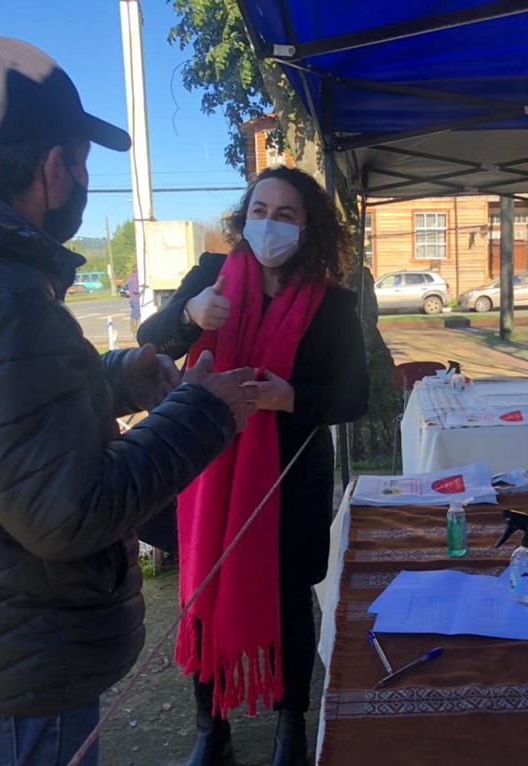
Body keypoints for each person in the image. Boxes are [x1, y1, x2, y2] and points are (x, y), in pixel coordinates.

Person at [0, 34, 260, 766]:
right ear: (55, 167)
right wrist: (203, 411)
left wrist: (114, 378)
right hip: (15, 659)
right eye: (84, 163)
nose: (85, 182)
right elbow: (70, 510)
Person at [137, 166, 370, 766]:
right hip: (206, 472)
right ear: (245, 219)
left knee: (290, 598)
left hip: (289, 479)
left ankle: (290, 726)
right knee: (204, 590)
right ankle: (210, 727)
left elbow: (355, 396)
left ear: (308, 228)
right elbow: (150, 339)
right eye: (260, 211)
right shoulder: (212, 276)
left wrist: (292, 398)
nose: (270, 224)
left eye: (286, 215)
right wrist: (189, 314)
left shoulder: (333, 304)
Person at [128, 264, 141, 334]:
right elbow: (136, 290)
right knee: (136, 313)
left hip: (133, 299)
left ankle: (133, 330)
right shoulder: (135, 279)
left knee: (134, 313)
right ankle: (134, 330)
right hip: (136, 299)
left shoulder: (131, 278)